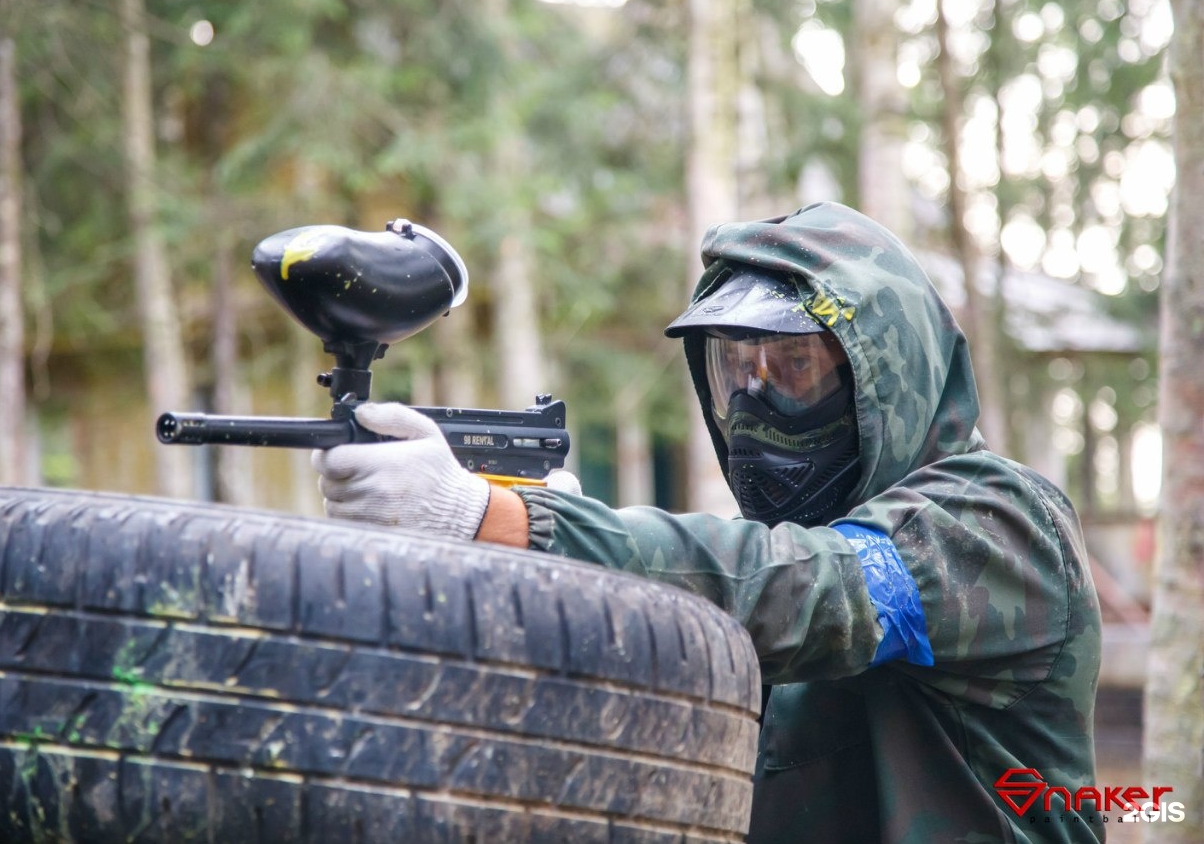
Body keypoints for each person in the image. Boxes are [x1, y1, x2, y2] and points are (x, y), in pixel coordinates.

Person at [312, 202, 1103, 843]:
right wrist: (545, 576)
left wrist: (508, 517)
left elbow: (814, 590)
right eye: (736, 368)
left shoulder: (997, 524)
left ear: (882, 377)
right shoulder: (750, 578)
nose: (755, 399)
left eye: (793, 367)